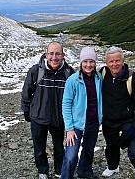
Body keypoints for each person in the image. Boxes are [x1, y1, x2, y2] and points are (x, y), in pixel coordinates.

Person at [21, 41, 74, 179]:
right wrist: (28, 113)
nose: (54, 57)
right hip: (38, 118)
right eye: (51, 53)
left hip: (59, 119)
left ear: (63, 55)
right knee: (39, 149)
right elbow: (26, 93)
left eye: (58, 54)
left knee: (59, 148)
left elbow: (75, 97)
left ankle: (58, 171)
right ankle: (43, 171)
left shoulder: (69, 73)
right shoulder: (36, 71)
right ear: (46, 54)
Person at [100, 47, 135, 179]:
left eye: (117, 61)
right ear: (106, 63)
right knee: (111, 146)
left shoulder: (133, 78)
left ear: (123, 61)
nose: (114, 64)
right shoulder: (103, 73)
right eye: (111, 61)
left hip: (128, 121)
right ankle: (113, 167)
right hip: (109, 120)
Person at [61, 46, 103, 179]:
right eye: (85, 61)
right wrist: (69, 128)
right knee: (71, 156)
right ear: (81, 63)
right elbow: (66, 104)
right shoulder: (73, 80)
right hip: (75, 125)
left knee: (88, 151)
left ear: (95, 63)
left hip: (93, 122)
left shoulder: (99, 78)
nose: (88, 65)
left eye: (91, 61)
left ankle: (84, 172)